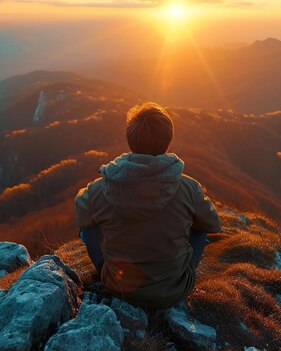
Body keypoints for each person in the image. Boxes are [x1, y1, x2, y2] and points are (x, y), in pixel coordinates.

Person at [74, 102, 222, 308]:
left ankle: (103, 268)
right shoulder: (188, 187)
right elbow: (212, 224)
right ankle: (180, 270)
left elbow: (81, 213)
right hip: (175, 289)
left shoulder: (99, 189)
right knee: (200, 229)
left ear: (130, 142)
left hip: (118, 285)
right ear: (168, 144)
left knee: (87, 226)